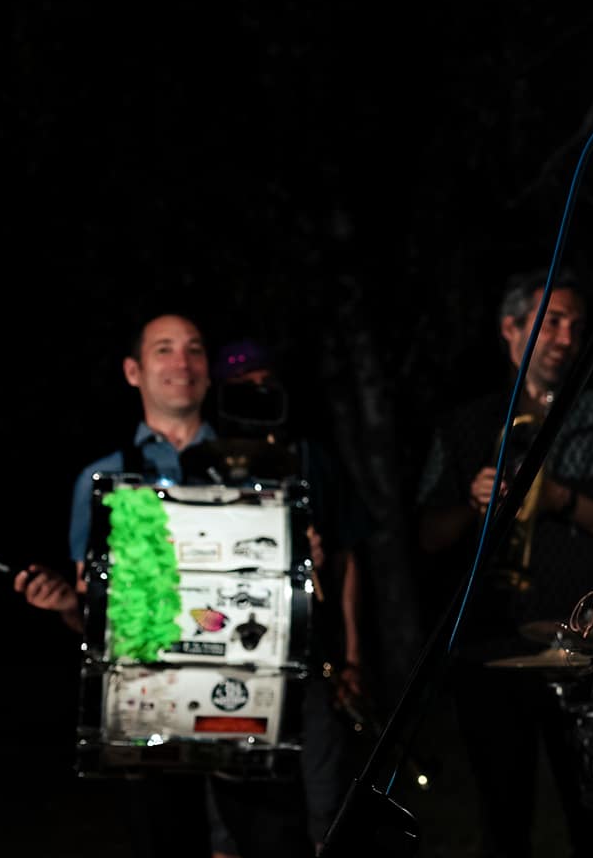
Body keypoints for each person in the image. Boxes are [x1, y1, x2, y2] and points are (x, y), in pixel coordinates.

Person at [16, 312, 314, 858]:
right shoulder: (104, 479)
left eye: (195, 349)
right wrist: (67, 605)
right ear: (133, 371)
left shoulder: (256, 469)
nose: (182, 362)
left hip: (244, 704)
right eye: (164, 349)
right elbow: (90, 613)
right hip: (146, 708)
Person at [415, 269, 593, 858]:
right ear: (511, 329)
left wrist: (557, 497)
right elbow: (428, 537)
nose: (566, 336)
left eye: (575, 323)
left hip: (579, 644)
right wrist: (474, 503)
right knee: (503, 811)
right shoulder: (466, 424)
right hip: (489, 643)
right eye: (552, 320)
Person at [206, 337, 372, 854]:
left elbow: (345, 557)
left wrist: (351, 656)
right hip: (227, 660)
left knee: (324, 795)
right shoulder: (205, 458)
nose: (256, 398)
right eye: (241, 390)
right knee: (228, 819)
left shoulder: (307, 457)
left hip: (306, 655)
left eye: (265, 387)